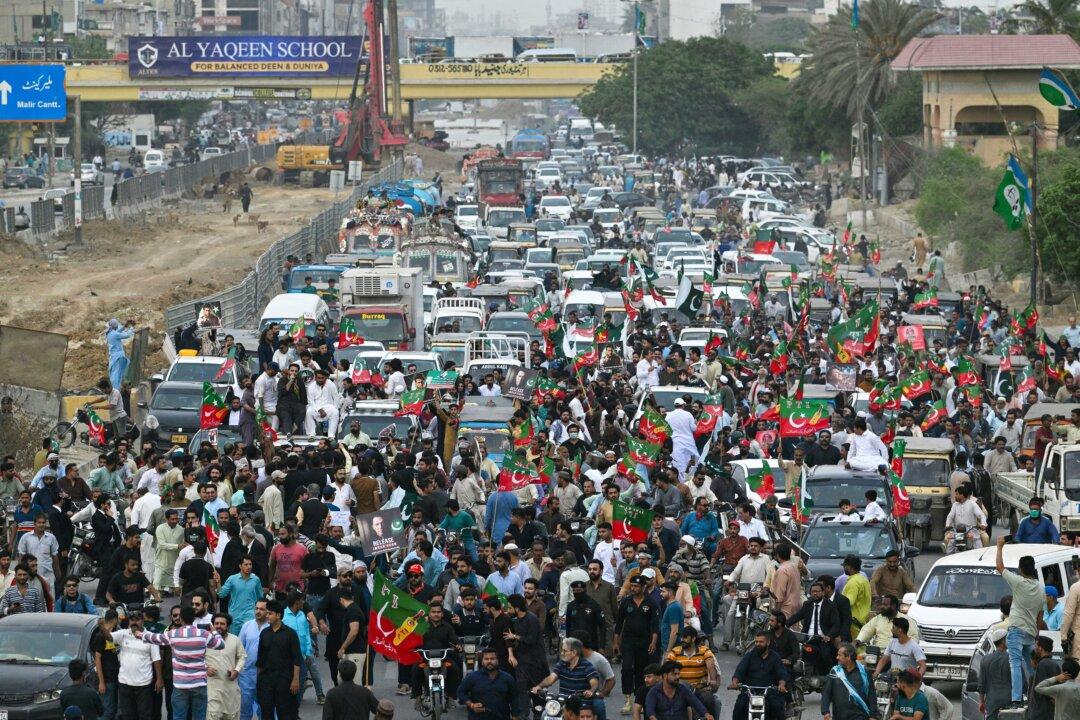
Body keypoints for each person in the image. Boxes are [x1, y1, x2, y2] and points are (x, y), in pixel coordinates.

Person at [138, 604, 226, 720]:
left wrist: (139, 634)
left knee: (179, 716)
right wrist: (214, 632)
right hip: (199, 684)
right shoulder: (204, 634)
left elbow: (155, 638)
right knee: (199, 717)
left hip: (180, 685)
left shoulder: (173, 634)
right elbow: (221, 645)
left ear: (181, 618)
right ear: (194, 618)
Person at [996, 535, 1045, 707]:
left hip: (1016, 630)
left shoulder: (1018, 582)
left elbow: (999, 567)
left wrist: (1000, 546)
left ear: (1020, 569)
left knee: (1015, 664)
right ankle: (1036, 695)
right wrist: (1037, 634)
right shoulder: (1040, 587)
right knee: (1032, 667)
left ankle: (1016, 699)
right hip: (1031, 632)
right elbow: (1040, 615)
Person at [614, 575, 660, 703]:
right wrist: (616, 643)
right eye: (632, 586)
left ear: (643, 587)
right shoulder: (625, 602)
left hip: (645, 641)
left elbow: (655, 625)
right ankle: (627, 698)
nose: (633, 588)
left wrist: (653, 642)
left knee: (641, 670)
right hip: (628, 641)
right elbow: (618, 624)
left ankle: (639, 699)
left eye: (636, 586)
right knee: (627, 668)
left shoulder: (651, 603)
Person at [531, 637, 602, 717]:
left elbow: (594, 682)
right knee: (544, 714)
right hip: (563, 704)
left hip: (581, 705)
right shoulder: (562, 664)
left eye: (565, 651)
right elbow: (551, 678)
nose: (562, 653)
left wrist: (591, 691)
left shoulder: (587, 666)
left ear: (574, 652)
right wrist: (539, 686)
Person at [255, 600, 302, 720]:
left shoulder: (291, 634)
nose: (267, 616)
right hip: (266, 681)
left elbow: (297, 659)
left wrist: (295, 680)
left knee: (285, 714)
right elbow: (260, 659)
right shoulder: (264, 633)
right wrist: (258, 681)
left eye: (270, 613)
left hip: (285, 681)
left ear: (278, 615)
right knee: (266, 714)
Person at [665, 627, 720, 718]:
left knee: (709, 699)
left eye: (685, 637)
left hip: (699, 688)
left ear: (693, 638)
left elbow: (711, 665)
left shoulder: (704, 650)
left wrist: (713, 680)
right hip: (680, 689)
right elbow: (666, 667)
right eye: (681, 637)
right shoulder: (675, 651)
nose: (682, 639)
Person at [457, 646, 520, 720]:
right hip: (477, 717)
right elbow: (460, 692)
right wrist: (472, 705)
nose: (489, 661)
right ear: (482, 661)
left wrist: (515, 716)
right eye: (486, 659)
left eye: (492, 659)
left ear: (497, 660)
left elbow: (515, 698)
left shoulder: (507, 678)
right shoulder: (472, 677)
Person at [205, 613, 246, 720]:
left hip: (230, 689)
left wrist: (236, 670)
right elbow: (196, 658)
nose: (219, 626)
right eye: (216, 623)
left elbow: (242, 657)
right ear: (212, 625)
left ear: (228, 626)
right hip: (212, 689)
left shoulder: (235, 639)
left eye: (222, 624)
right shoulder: (206, 640)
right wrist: (206, 668)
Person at [820, 643, 876, 720]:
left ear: (848, 657)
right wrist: (826, 712)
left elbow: (871, 695)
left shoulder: (864, 673)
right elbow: (826, 693)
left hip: (860, 716)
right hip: (839, 716)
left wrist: (872, 716)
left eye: (840, 655)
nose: (837, 657)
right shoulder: (835, 672)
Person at [646, 660, 715, 720]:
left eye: (678, 674)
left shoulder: (683, 689)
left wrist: (707, 715)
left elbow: (696, 703)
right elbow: (650, 713)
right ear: (665, 675)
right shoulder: (654, 692)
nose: (678, 677)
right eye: (674, 674)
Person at [1028, 635, 1061, 720]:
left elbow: (1040, 689)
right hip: (1050, 712)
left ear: (1040, 648)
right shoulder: (1055, 665)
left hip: (1041, 713)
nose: (1035, 648)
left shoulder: (1042, 665)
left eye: (1036, 645)